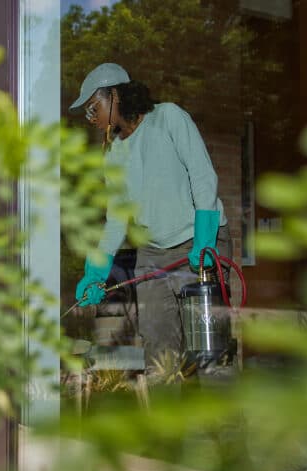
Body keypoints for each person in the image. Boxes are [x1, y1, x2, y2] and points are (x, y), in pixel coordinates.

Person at [71, 63, 229, 368]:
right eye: (89, 112)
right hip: (154, 252)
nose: (92, 117)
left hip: (197, 242)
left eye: (94, 107)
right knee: (159, 352)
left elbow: (203, 177)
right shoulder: (114, 153)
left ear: (115, 95)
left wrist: (205, 238)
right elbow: (117, 217)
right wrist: (96, 271)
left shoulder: (168, 117)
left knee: (209, 351)